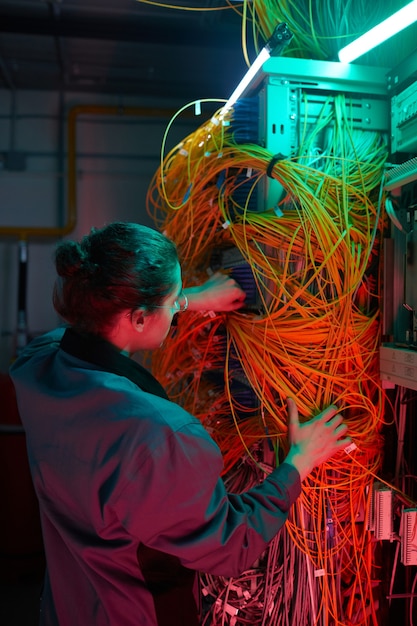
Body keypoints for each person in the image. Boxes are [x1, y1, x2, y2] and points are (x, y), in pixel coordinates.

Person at [9, 221, 350, 626]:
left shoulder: (35, 368)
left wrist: (189, 300)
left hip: (68, 607)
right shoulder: (158, 435)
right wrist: (299, 462)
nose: (174, 309)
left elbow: (84, 332)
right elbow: (230, 544)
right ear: (137, 317)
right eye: (171, 302)